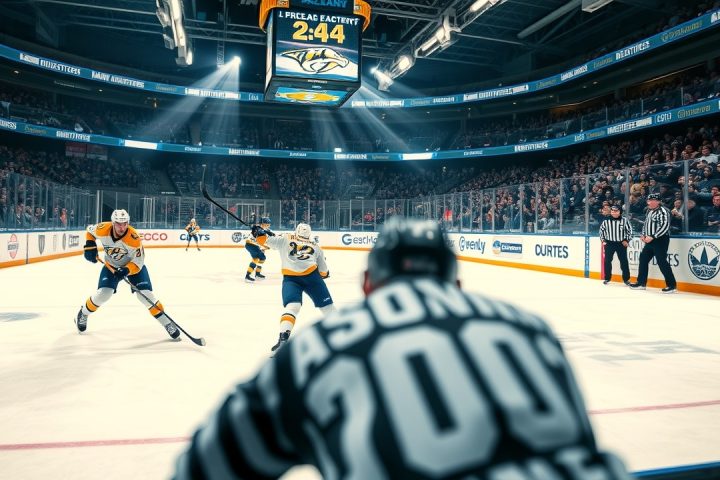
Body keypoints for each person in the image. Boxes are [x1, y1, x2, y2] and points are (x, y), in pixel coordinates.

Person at [173, 217, 631, 480]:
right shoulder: (531, 329)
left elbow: (206, 465)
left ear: (368, 285)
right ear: (456, 283)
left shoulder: (322, 346)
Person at [75, 209, 180, 339]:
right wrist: (90, 245)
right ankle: (83, 313)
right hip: (111, 266)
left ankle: (167, 323)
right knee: (104, 294)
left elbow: (138, 262)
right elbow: (90, 231)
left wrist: (126, 270)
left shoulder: (133, 238)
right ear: (113, 223)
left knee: (145, 296)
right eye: (119, 224)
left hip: (133, 267)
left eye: (125, 223)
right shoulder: (103, 228)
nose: (122, 227)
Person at [253, 222, 333, 351]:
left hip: (291, 279)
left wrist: (258, 233)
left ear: (296, 231)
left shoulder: (285, 237)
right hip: (313, 278)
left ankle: (283, 339)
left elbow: (263, 241)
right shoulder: (316, 246)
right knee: (328, 308)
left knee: (293, 307)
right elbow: (324, 272)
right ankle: (345, 337)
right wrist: (324, 274)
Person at [629, 193, 677, 293]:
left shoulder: (663, 211)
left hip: (660, 240)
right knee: (643, 259)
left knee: (661, 261)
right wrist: (643, 234)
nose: (651, 202)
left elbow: (665, 226)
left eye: (654, 200)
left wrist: (653, 236)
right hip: (650, 240)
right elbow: (646, 224)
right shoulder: (649, 211)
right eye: (649, 200)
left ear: (659, 202)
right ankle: (641, 283)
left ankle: (671, 285)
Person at [599, 205, 632, 285]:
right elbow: (601, 231)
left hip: (621, 244)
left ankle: (626, 279)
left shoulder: (625, 220)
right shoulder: (606, 221)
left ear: (620, 212)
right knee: (607, 261)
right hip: (609, 243)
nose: (614, 212)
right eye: (612, 211)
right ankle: (607, 278)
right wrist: (603, 240)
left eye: (616, 211)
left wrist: (626, 240)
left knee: (624, 261)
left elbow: (629, 231)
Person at [243, 216, 272, 283]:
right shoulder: (258, 229)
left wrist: (263, 246)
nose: (268, 226)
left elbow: (264, 240)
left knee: (262, 258)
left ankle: (257, 274)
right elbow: (258, 238)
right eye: (267, 224)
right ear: (262, 224)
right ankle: (248, 276)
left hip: (255, 246)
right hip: (250, 245)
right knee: (256, 259)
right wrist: (264, 246)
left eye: (268, 225)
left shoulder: (264, 230)